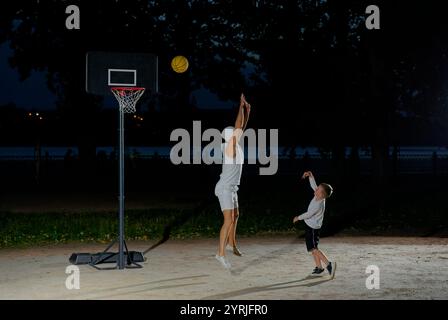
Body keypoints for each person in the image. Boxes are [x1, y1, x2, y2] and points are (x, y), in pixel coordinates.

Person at [214, 93, 251, 269]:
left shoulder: (235, 145)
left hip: (232, 188)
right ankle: (220, 254)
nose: (239, 132)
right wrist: (240, 106)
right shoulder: (230, 148)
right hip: (224, 189)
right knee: (228, 220)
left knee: (236, 215)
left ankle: (231, 244)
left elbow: (241, 127)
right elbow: (239, 127)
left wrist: (247, 111)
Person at [293, 171, 336, 277]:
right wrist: (311, 176)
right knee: (313, 249)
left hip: (312, 228)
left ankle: (329, 264)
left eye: (318, 189)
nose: (316, 189)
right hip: (312, 226)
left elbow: (308, 214)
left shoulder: (318, 204)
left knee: (314, 249)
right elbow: (314, 186)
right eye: (317, 188)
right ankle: (319, 268)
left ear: (322, 195)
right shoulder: (319, 196)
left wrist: (298, 218)